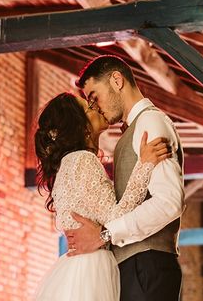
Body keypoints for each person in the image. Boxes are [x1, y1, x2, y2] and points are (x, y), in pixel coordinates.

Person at [66, 55, 185, 301]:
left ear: (117, 80)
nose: (95, 106)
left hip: (147, 266)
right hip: (136, 267)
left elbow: (169, 202)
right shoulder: (133, 129)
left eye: (95, 96)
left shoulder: (150, 121)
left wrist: (104, 235)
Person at [33, 92, 171, 301]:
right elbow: (116, 217)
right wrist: (145, 165)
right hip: (91, 269)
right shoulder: (82, 161)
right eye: (88, 107)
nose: (95, 106)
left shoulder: (68, 164)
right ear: (81, 127)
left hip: (76, 269)